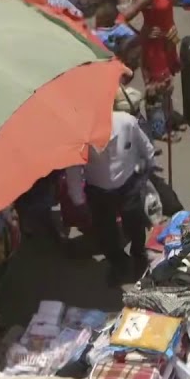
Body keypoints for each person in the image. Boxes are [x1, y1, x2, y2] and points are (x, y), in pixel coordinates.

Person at [65, 112, 155, 284]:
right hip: (98, 191)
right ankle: (119, 263)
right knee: (106, 231)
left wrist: (148, 167)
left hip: (128, 184)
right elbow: (73, 171)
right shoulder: (79, 138)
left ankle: (139, 256)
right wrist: (78, 200)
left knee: (135, 222)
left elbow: (146, 147)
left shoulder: (127, 123)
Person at [120, 0, 183, 136]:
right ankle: (158, 129)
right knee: (156, 90)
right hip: (154, 50)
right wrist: (143, 34)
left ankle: (167, 117)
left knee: (167, 86)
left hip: (168, 42)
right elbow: (122, 18)